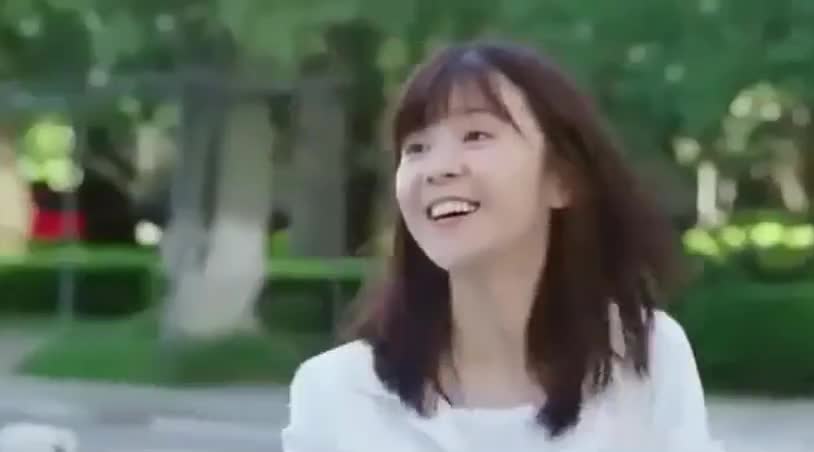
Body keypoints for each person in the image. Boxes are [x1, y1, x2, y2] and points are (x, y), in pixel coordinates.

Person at [282, 41, 723, 452]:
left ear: (562, 178)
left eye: (476, 135)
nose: (437, 169)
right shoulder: (337, 393)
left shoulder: (645, 355)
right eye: (416, 148)